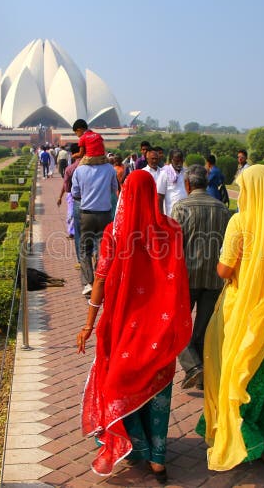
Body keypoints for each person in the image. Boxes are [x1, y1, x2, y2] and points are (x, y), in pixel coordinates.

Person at [78, 170, 192, 481]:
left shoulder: (115, 234)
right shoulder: (171, 230)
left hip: (126, 327)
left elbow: (99, 282)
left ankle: (139, 449)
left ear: (126, 196)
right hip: (162, 327)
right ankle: (157, 457)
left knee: (121, 384)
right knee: (158, 393)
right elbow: (179, 277)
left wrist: (89, 324)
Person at [196, 164, 264, 471]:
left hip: (244, 312)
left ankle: (241, 438)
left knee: (238, 376)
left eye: (243, 188)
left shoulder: (240, 222)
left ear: (253, 191)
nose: (240, 194)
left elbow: (224, 270)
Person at [171, 165, 231, 390]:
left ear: (187, 185)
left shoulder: (181, 207)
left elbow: (174, 244)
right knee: (203, 329)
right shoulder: (222, 209)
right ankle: (203, 374)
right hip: (215, 278)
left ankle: (193, 367)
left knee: (177, 326)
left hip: (187, 277)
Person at [71, 148, 119, 296]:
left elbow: (75, 193)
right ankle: (101, 280)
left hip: (86, 214)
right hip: (105, 214)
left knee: (85, 248)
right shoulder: (109, 169)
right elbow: (114, 189)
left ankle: (88, 283)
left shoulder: (80, 170)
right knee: (102, 249)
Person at [58, 144, 84, 257]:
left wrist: (60, 196)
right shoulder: (98, 167)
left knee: (73, 217)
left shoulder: (71, 168)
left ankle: (73, 234)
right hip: (92, 200)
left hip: (74, 197)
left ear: (73, 154)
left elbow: (67, 186)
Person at [156, 149, 187, 217]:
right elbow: (159, 197)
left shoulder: (186, 172)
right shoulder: (164, 173)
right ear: (171, 160)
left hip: (187, 213)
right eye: (177, 161)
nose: (179, 164)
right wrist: (161, 216)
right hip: (171, 214)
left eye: (181, 161)